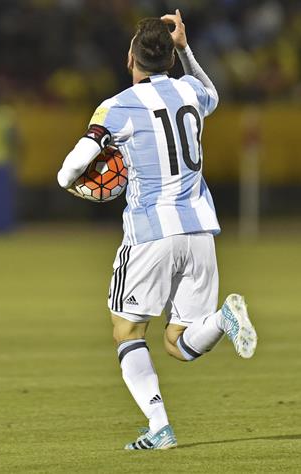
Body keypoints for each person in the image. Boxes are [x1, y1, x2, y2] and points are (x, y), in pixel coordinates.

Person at [57, 10, 257, 450]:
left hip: (151, 232)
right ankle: (223, 319)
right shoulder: (190, 91)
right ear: (169, 58)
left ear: (130, 57)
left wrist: (69, 183)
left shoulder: (117, 106)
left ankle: (159, 427)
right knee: (178, 343)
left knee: (127, 333)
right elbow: (212, 93)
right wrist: (185, 49)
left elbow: (73, 164)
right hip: (200, 230)